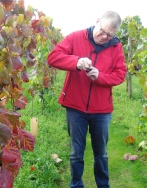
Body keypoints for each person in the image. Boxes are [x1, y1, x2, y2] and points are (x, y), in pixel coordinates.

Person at [47, 11, 127, 188]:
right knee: (76, 152)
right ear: (97, 21)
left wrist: (100, 77)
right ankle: (76, 185)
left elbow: (120, 75)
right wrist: (75, 62)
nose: (104, 37)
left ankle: (103, 185)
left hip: (101, 111)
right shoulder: (76, 37)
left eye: (110, 35)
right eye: (102, 31)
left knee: (101, 153)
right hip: (75, 108)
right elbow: (53, 58)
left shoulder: (116, 47)